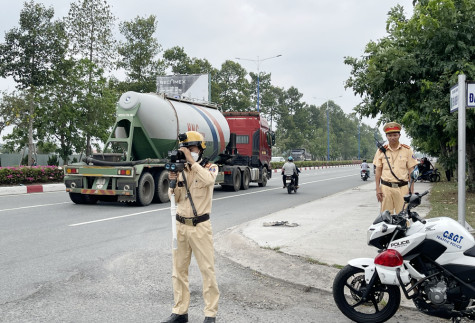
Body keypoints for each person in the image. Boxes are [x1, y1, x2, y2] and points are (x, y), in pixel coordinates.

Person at [162, 131, 219, 323]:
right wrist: (173, 179)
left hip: (200, 226)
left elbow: (209, 181)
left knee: (207, 271)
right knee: (178, 271)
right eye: (184, 149)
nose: (187, 152)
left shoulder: (210, 168)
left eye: (191, 149)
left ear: (200, 149)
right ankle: (180, 311)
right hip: (181, 226)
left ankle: (210, 314)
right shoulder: (181, 171)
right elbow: (175, 197)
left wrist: (191, 162)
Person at [373, 122, 419, 214]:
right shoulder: (381, 151)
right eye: (390, 135)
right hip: (386, 188)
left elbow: (411, 171)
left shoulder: (407, 150)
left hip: (402, 188)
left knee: (403, 216)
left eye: (395, 135)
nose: (392, 137)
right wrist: (378, 189)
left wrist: (411, 190)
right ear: (386, 136)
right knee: (386, 216)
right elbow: (378, 171)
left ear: (399, 135)